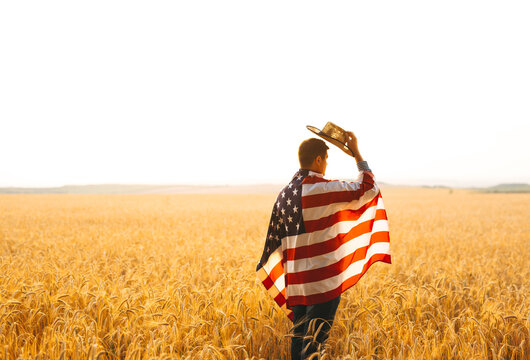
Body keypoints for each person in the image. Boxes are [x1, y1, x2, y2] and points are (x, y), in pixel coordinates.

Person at [256, 129, 391, 360]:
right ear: (318, 159)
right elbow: (369, 188)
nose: (327, 164)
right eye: (326, 159)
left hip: (297, 284)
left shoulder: (284, 193)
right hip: (322, 285)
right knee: (315, 348)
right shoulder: (322, 190)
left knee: (298, 344)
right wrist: (356, 152)